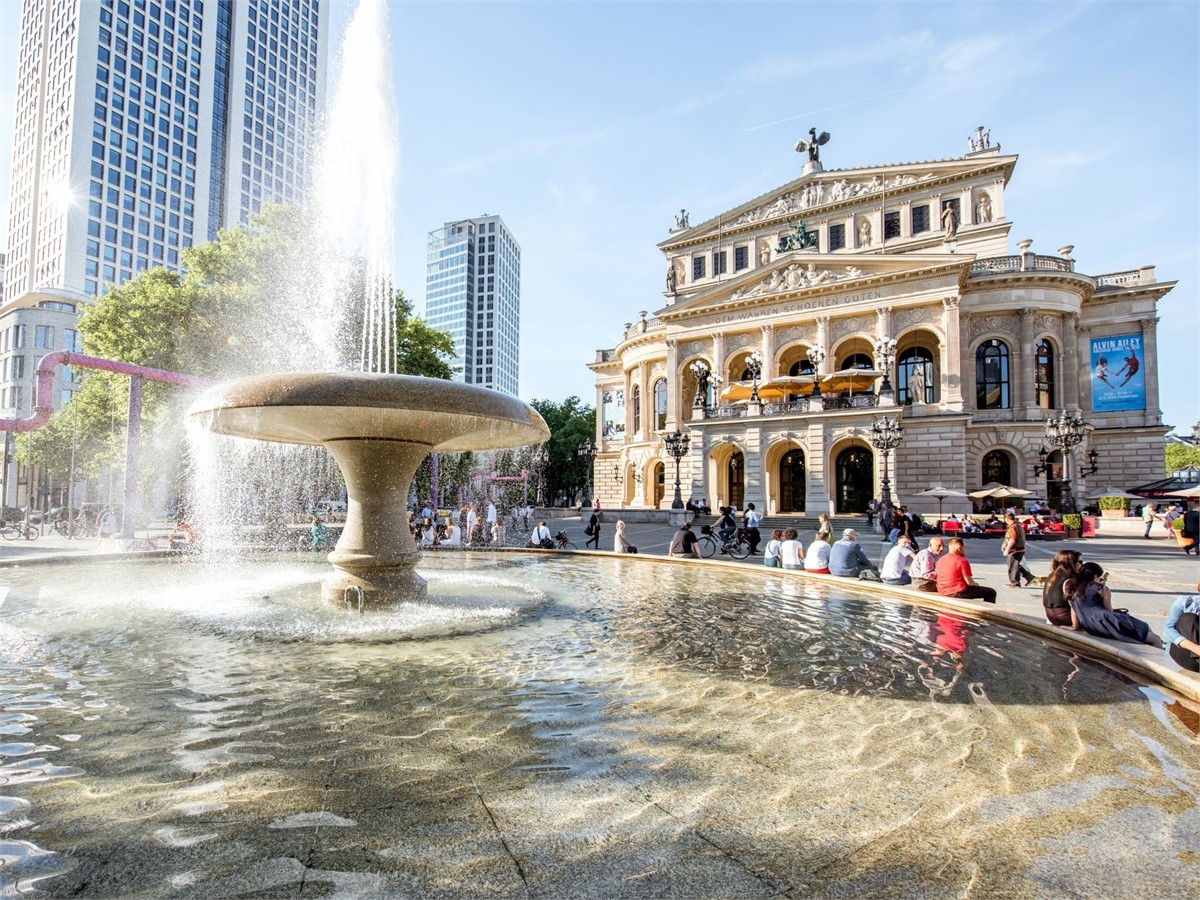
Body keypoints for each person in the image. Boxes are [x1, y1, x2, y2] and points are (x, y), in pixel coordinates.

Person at [1065, 562, 1162, 647]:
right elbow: (1109, 610)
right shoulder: (1101, 589)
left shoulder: (1071, 588)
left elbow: (1075, 610)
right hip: (1106, 623)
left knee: (1144, 628)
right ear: (1095, 576)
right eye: (1100, 576)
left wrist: (1074, 626)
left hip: (1089, 626)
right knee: (1155, 638)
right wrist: (1103, 587)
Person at [935, 538, 996, 603]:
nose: (966, 550)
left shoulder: (941, 560)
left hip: (942, 590)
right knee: (991, 592)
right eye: (965, 547)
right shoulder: (962, 561)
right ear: (959, 548)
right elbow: (969, 582)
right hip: (957, 591)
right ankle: (987, 611)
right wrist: (976, 584)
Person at [1163, 583, 1200, 672]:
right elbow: (1167, 629)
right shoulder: (1186, 602)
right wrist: (1195, 648)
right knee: (1189, 618)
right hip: (1185, 652)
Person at [1042, 549, 1082, 627]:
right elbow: (1074, 604)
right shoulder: (1070, 579)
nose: (1082, 565)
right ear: (1071, 563)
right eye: (1080, 562)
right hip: (1065, 618)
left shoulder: (1052, 575)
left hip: (1051, 616)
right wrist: (1075, 626)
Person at [1001, 513, 1036, 587]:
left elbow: (1012, 539)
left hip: (1014, 550)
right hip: (1020, 549)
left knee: (1012, 566)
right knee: (1016, 566)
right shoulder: (1018, 526)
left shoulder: (1012, 527)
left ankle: (1015, 583)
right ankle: (1029, 577)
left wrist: (1007, 549)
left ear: (1007, 519)